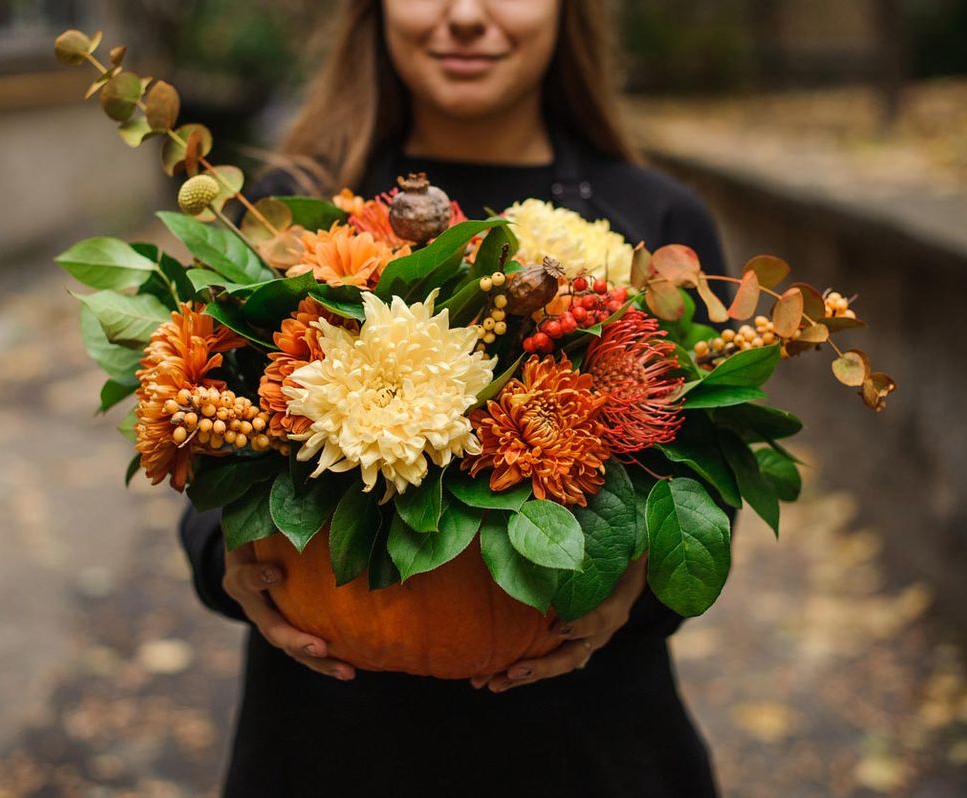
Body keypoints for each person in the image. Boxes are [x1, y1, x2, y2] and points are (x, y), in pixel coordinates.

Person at [180, 1, 729, 795]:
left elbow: (710, 473)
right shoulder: (283, 217)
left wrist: (633, 588)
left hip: (588, 746)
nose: (466, 15)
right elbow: (201, 449)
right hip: (330, 744)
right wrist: (226, 558)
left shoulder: (659, 226)